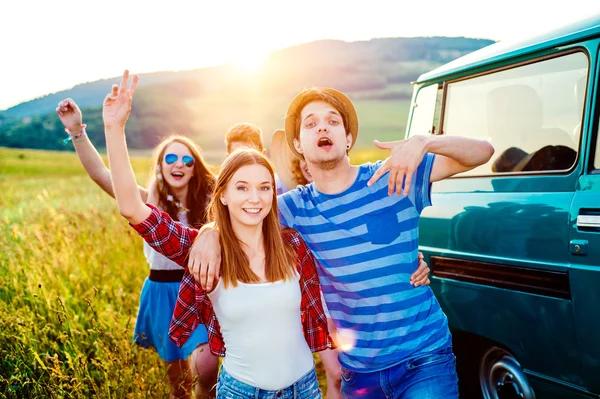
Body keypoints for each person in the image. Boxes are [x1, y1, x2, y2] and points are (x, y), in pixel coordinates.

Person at [189, 87, 494, 398]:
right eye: (310, 124)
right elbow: (241, 217)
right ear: (298, 145)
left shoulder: (394, 176)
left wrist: (425, 142)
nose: (322, 127)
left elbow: (482, 152)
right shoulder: (293, 208)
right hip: (358, 371)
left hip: (424, 357)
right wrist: (209, 232)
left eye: (332, 121)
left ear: (348, 138)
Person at [103, 70, 333, 399]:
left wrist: (416, 265)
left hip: (305, 390)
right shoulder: (203, 250)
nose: (254, 198)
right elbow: (132, 208)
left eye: (263, 187)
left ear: (273, 193)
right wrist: (114, 129)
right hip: (241, 392)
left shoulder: (292, 244)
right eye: (242, 187)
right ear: (222, 194)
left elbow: (342, 258)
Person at [56, 95, 219, 398]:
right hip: (160, 293)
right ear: (161, 167)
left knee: (206, 368)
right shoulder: (145, 203)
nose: (179, 164)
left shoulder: (209, 207)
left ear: (195, 168)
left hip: (197, 291)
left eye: (187, 159)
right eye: (170, 158)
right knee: (177, 382)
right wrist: (77, 131)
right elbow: (100, 174)